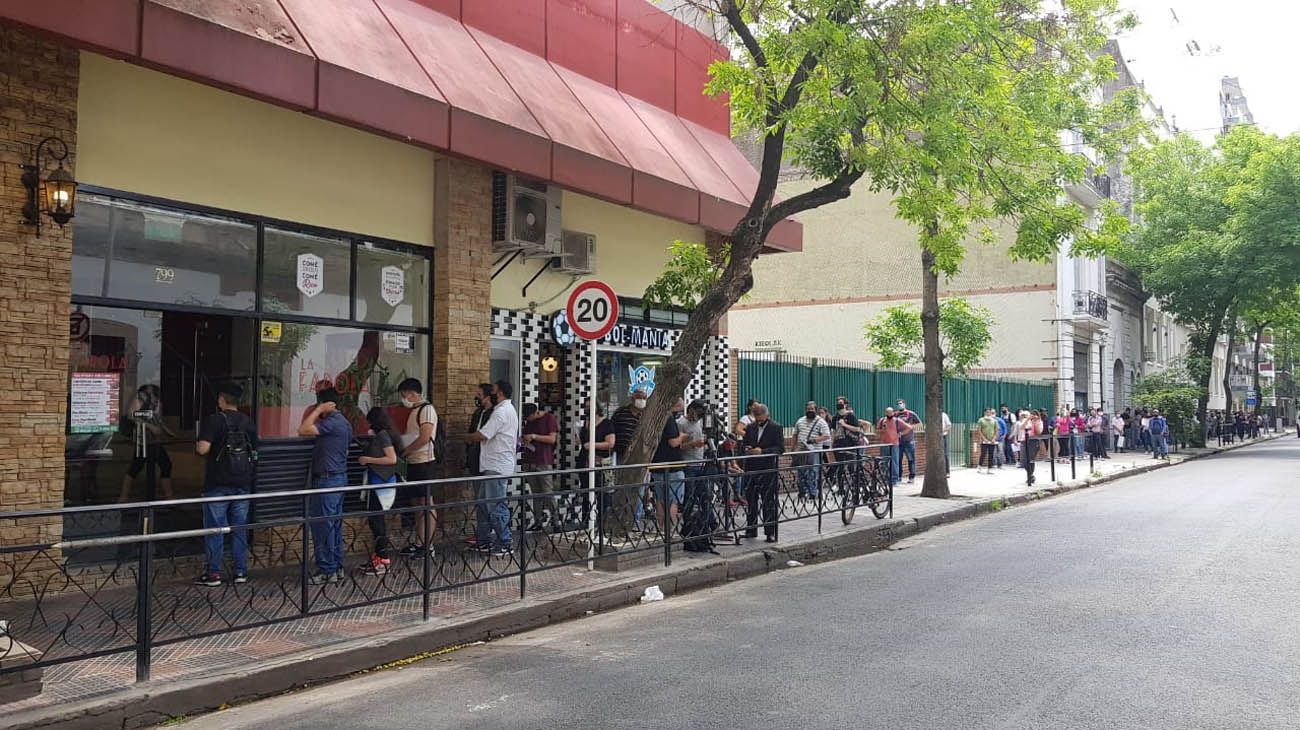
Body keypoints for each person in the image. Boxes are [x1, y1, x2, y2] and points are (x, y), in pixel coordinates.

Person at [193, 382, 256, 587]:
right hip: (242, 483)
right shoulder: (248, 422)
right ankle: (240, 572)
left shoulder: (214, 421)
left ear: (222, 400)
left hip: (217, 483)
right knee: (239, 528)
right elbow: (255, 450)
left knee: (215, 529)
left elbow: (203, 449)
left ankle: (214, 574)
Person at [298, 387, 352, 584]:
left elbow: (303, 430)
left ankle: (327, 569)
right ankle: (336, 566)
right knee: (334, 524)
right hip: (337, 478)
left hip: (328, 481)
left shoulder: (330, 422)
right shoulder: (345, 423)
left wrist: (317, 411)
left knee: (323, 525)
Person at [465, 380, 518, 557]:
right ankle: (484, 539)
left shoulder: (502, 412)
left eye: (494, 391)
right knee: (483, 504)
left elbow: (483, 435)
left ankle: (505, 541)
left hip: (496, 465)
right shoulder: (504, 410)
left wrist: (467, 437)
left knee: (495, 505)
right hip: (490, 464)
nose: (492, 394)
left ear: (500, 393)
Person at [396, 378, 439, 559]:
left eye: (404, 395)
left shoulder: (426, 410)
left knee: (426, 502)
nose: (403, 399)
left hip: (424, 461)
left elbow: (424, 437)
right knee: (417, 504)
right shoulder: (414, 411)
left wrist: (406, 451)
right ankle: (419, 542)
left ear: (412, 393)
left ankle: (428, 545)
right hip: (414, 462)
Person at [358, 407, 401, 576]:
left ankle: (382, 559)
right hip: (377, 482)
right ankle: (378, 557)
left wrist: (367, 459)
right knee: (375, 520)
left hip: (381, 483)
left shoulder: (382, 435)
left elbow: (391, 458)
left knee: (377, 521)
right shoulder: (381, 435)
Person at [120, 384, 177, 502]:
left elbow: (159, 420)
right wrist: (150, 427)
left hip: (154, 441)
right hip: (143, 440)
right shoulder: (141, 397)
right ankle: (123, 497)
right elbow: (131, 415)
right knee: (136, 467)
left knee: (165, 465)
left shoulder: (157, 401)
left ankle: (169, 497)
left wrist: (168, 432)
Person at [741, 404, 783, 543]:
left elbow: (779, 448)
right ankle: (751, 529)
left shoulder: (776, 427)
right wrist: (747, 448)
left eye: (760, 416)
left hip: (767, 469)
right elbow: (745, 443)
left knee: (768, 501)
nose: (758, 420)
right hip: (752, 468)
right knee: (751, 499)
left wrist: (763, 452)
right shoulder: (750, 427)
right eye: (756, 416)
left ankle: (770, 532)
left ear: (766, 414)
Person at [648, 397, 688, 534]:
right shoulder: (669, 419)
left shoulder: (655, 418)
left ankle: (660, 529)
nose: (681, 412)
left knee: (660, 499)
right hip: (672, 466)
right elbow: (673, 442)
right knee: (673, 500)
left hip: (657, 464)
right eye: (680, 409)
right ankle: (670, 531)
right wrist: (682, 436)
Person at [578, 399, 617, 532]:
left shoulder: (606, 423)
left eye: (590, 406)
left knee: (603, 495)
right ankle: (586, 522)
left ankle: (603, 524)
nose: (588, 409)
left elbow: (610, 443)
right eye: (586, 407)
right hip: (585, 461)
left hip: (601, 462)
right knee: (586, 493)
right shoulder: (586, 422)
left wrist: (593, 445)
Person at [610, 388, 648, 524]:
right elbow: (611, 429)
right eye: (639, 397)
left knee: (639, 489)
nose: (642, 401)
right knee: (622, 486)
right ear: (632, 398)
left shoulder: (647, 415)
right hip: (622, 455)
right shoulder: (621, 413)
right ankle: (620, 517)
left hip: (641, 457)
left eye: (644, 398)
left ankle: (635, 519)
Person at [521, 403, 560, 532]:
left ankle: (556, 521)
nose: (528, 420)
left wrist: (534, 436)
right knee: (535, 493)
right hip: (530, 460)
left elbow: (552, 439)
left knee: (547, 492)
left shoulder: (549, 419)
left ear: (535, 413)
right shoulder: (528, 423)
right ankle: (538, 520)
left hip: (543, 461)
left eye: (529, 418)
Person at [793, 401, 831, 499]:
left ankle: (812, 493)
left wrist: (815, 440)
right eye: (808, 409)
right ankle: (802, 491)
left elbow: (827, 435)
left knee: (813, 472)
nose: (810, 411)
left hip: (814, 451)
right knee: (801, 472)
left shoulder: (821, 422)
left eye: (812, 409)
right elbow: (795, 434)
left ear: (815, 410)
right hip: (802, 450)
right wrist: (793, 448)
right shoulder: (800, 421)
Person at [678, 399, 710, 503]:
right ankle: (688, 518)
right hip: (688, 465)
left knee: (704, 494)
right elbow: (678, 446)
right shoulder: (681, 423)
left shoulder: (699, 423)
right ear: (691, 410)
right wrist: (692, 444)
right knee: (689, 495)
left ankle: (709, 518)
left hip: (700, 463)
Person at [875, 407, 913, 487]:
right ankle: (884, 479)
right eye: (888, 413)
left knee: (894, 462)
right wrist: (882, 430)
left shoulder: (897, 420)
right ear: (886, 413)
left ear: (893, 413)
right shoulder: (882, 420)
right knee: (883, 462)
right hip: (884, 444)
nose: (889, 414)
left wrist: (901, 434)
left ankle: (894, 480)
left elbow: (909, 427)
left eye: (890, 413)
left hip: (894, 444)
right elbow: (877, 431)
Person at [466, 383, 494, 477]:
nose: (477, 397)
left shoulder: (495, 414)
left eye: (479, 395)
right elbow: (472, 430)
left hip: (487, 455)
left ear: (488, 397)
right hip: (474, 454)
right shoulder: (478, 412)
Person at [894, 399, 922, 483]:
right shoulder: (895, 415)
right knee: (898, 459)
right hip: (898, 441)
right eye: (898, 404)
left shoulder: (911, 414)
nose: (899, 405)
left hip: (909, 440)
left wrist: (909, 427)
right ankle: (899, 477)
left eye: (901, 403)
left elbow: (919, 424)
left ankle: (912, 477)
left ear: (904, 404)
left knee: (911, 459)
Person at [1020, 410, 1044, 486]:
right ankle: (1030, 475)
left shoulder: (1039, 422)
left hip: (1033, 442)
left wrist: (1035, 422)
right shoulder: (1027, 421)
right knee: (1024, 461)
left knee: (1030, 459)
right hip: (1024, 441)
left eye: (1035, 414)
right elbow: (1021, 427)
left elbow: (1038, 432)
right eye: (1032, 414)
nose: (1033, 416)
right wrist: (1028, 419)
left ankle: (1030, 476)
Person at [976, 408, 999, 474]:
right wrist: (984, 438)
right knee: (983, 454)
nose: (988, 413)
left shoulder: (994, 421)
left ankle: (989, 468)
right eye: (987, 412)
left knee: (991, 455)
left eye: (989, 412)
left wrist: (994, 438)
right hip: (984, 440)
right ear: (985, 412)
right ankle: (979, 466)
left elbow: (996, 430)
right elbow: (979, 430)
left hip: (992, 440)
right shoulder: (981, 420)